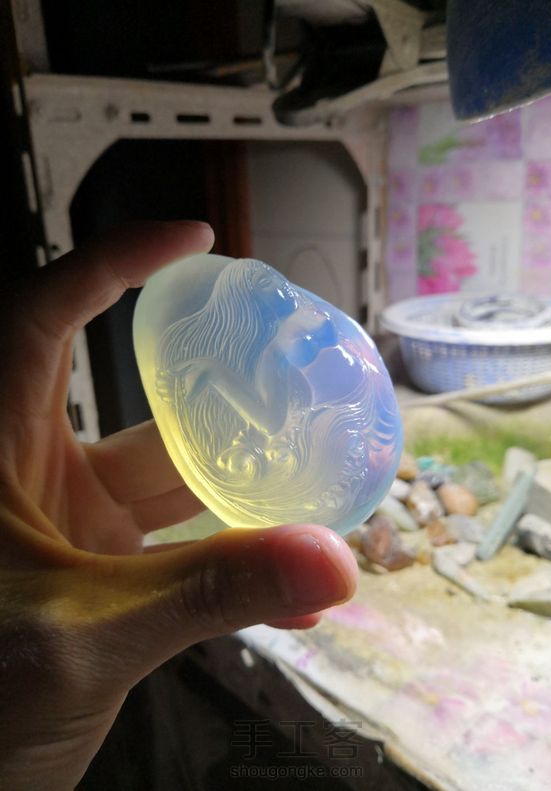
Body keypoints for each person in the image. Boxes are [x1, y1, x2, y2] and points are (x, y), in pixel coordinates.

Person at [0, 220, 359, 790]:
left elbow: (272, 411)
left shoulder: (281, 359)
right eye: (297, 319)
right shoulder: (268, 359)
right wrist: (214, 376)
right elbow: (268, 414)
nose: (313, 328)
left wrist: (216, 375)